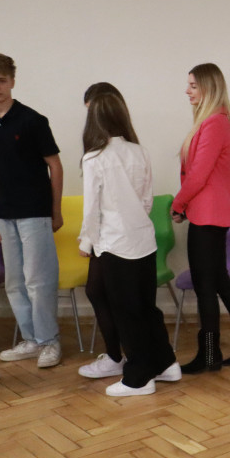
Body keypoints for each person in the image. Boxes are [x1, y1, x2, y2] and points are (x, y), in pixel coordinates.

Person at [77, 92, 180, 396]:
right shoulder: (140, 151)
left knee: (125, 311)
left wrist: (89, 241)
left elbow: (91, 209)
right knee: (146, 307)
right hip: (143, 240)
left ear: (94, 119)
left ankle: (138, 378)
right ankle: (165, 363)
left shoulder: (94, 158)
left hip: (115, 243)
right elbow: (147, 199)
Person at [173, 63, 230, 372]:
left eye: (193, 86)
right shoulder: (214, 121)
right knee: (219, 280)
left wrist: (178, 204)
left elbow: (198, 175)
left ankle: (209, 354)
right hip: (207, 211)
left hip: (208, 214)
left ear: (209, 88)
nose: (187, 90)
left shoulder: (214, 123)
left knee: (204, 285)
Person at [0, 52, 63, 369]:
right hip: (4, 213)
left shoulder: (33, 120)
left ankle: (50, 341)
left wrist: (55, 210)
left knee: (38, 280)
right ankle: (32, 339)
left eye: (1, 80)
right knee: (15, 283)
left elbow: (55, 167)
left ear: (12, 82)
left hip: (35, 212)